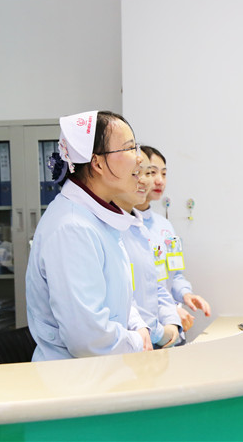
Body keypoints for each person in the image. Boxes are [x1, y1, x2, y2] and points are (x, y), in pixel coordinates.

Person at [26, 110, 153, 361]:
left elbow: (118, 300)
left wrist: (138, 326)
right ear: (97, 163)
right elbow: (87, 340)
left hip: (107, 368)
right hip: (75, 377)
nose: (139, 158)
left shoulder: (98, 218)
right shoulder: (72, 228)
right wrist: (138, 341)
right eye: (129, 148)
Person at [113, 150, 185, 348]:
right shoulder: (113, 231)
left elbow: (157, 284)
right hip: (137, 340)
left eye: (148, 173)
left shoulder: (146, 228)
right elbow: (126, 301)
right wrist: (161, 332)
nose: (148, 181)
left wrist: (172, 322)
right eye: (138, 173)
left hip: (157, 334)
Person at [135, 145, 211, 332]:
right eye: (151, 172)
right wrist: (170, 310)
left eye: (164, 173)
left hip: (171, 325)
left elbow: (175, 274)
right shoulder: (125, 226)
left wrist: (185, 294)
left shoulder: (165, 226)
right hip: (145, 328)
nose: (159, 181)